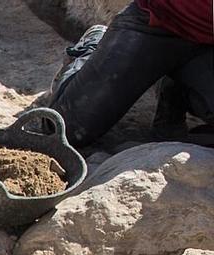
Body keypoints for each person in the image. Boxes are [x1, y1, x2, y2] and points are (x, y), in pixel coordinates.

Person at [46, 3, 214, 149]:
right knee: (65, 129)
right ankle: (93, 47)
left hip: (206, 40)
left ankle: (174, 92)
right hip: (157, 21)